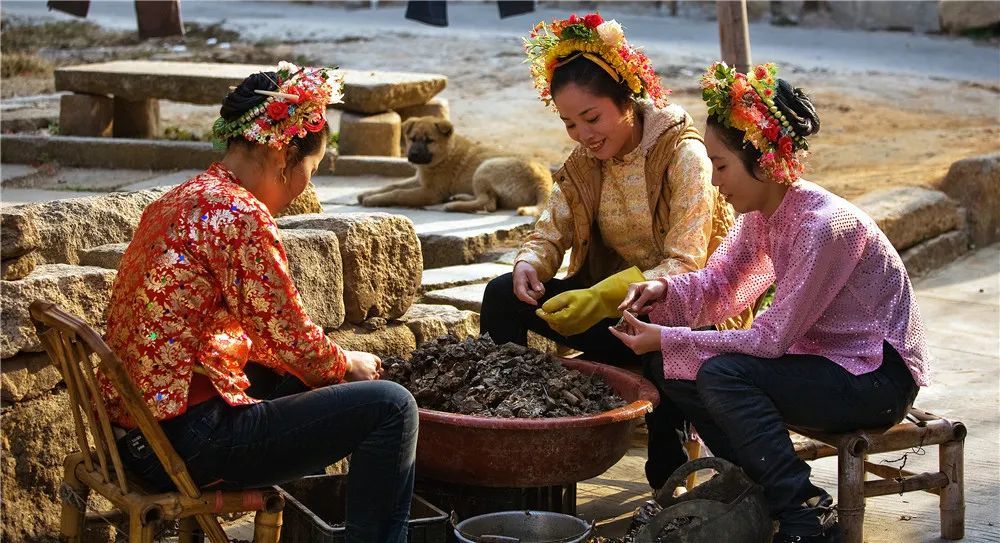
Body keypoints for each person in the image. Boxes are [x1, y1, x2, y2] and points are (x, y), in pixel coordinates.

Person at [99, 62, 418, 543]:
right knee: (392, 408)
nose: (305, 187)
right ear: (285, 154)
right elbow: (289, 333)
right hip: (183, 446)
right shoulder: (241, 214)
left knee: (302, 379)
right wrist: (342, 364)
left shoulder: (182, 197)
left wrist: (325, 367)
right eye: (310, 169)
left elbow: (268, 334)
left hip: (132, 434)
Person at [610, 62, 929, 543]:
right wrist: (664, 292)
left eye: (721, 165)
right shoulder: (764, 213)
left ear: (761, 158)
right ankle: (754, 490)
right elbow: (720, 284)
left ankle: (804, 511)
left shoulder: (825, 226)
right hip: (822, 365)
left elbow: (771, 337)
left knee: (718, 371)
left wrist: (672, 334)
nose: (716, 182)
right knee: (676, 363)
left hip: (876, 378)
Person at [480, 12, 750, 490]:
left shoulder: (682, 155)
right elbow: (551, 228)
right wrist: (529, 264)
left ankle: (667, 469)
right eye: (569, 124)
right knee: (503, 295)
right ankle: (511, 428)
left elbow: (686, 264)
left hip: (683, 314)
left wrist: (602, 296)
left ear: (626, 100)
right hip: (612, 314)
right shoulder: (585, 163)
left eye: (592, 118)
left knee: (662, 325)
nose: (584, 135)